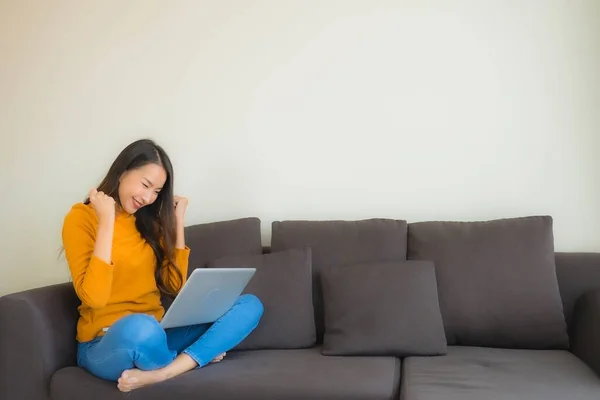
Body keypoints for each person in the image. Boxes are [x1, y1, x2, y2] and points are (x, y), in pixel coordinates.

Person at [61, 139, 263, 392]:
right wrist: (107, 222)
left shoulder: (148, 223)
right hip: (105, 343)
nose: (147, 198)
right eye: (145, 185)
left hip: (158, 334)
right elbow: (95, 297)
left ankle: (165, 372)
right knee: (140, 327)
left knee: (249, 304)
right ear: (122, 171)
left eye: (156, 192)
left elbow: (174, 285)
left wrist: (177, 222)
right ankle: (195, 356)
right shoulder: (81, 218)